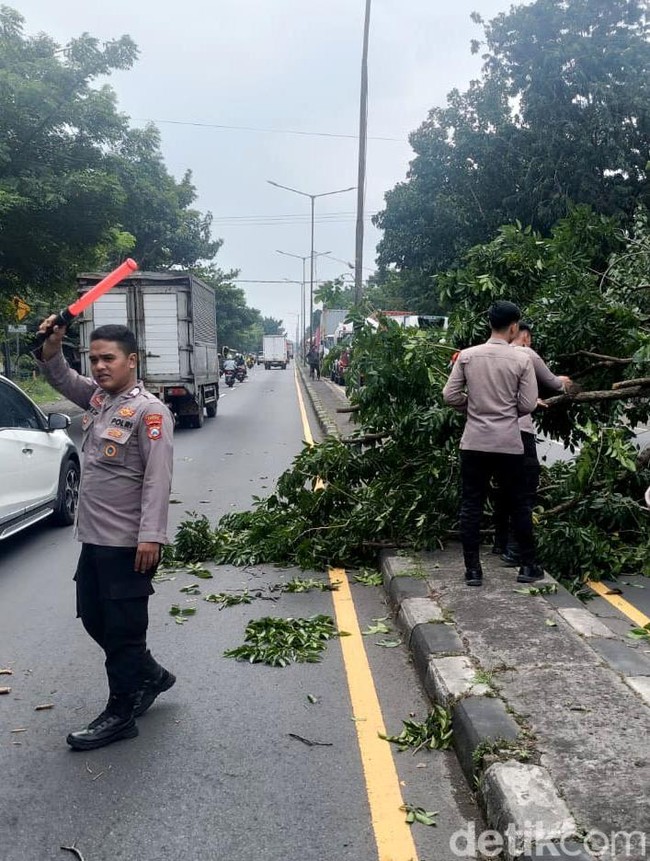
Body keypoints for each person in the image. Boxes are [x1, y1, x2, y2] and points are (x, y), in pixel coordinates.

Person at [36, 319, 175, 750]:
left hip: (128, 545)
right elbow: (59, 374)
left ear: (131, 361)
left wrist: (150, 536)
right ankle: (149, 674)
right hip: (93, 539)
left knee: (123, 631)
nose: (98, 366)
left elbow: (157, 478)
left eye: (108, 358)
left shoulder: (150, 412)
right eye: (94, 358)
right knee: (94, 617)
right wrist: (52, 346)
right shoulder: (98, 400)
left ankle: (121, 712)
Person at [442, 301, 544, 587]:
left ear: (490, 324)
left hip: (474, 442)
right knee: (519, 503)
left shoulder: (467, 356)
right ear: (514, 327)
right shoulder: (522, 359)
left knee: (471, 504)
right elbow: (527, 404)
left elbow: (449, 395)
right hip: (508, 444)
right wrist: (507, 412)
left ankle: (473, 570)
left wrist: (472, 407)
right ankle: (527, 566)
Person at [493, 322, 572, 565]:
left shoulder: (491, 356)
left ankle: (500, 542)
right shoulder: (526, 353)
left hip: (494, 433)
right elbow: (554, 383)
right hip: (520, 430)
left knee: (503, 489)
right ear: (523, 335)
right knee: (524, 489)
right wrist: (569, 384)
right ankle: (517, 552)